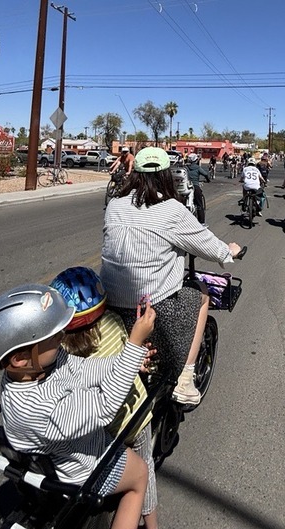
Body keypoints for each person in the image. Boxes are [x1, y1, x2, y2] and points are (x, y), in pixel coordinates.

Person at [0, 284, 156, 529]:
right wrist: (133, 343)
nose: (62, 335)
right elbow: (106, 405)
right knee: (141, 474)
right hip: (81, 470)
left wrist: (128, 361)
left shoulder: (36, 367)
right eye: (53, 334)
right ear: (19, 359)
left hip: (69, 447)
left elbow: (83, 369)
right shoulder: (40, 408)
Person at [101, 147, 241, 406]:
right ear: (167, 175)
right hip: (151, 310)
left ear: (135, 173)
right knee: (201, 294)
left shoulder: (115, 205)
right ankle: (185, 379)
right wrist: (229, 251)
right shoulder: (172, 210)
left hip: (109, 307)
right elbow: (208, 246)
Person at [49, 267, 159, 529]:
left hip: (96, 428)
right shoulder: (114, 323)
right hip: (132, 419)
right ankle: (153, 525)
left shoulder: (59, 348)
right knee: (146, 470)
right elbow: (126, 358)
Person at [185, 152, 209, 225]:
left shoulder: (186, 167)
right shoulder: (198, 168)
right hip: (195, 186)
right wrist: (208, 180)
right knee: (199, 204)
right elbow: (205, 174)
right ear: (196, 160)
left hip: (186, 187)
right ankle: (201, 222)